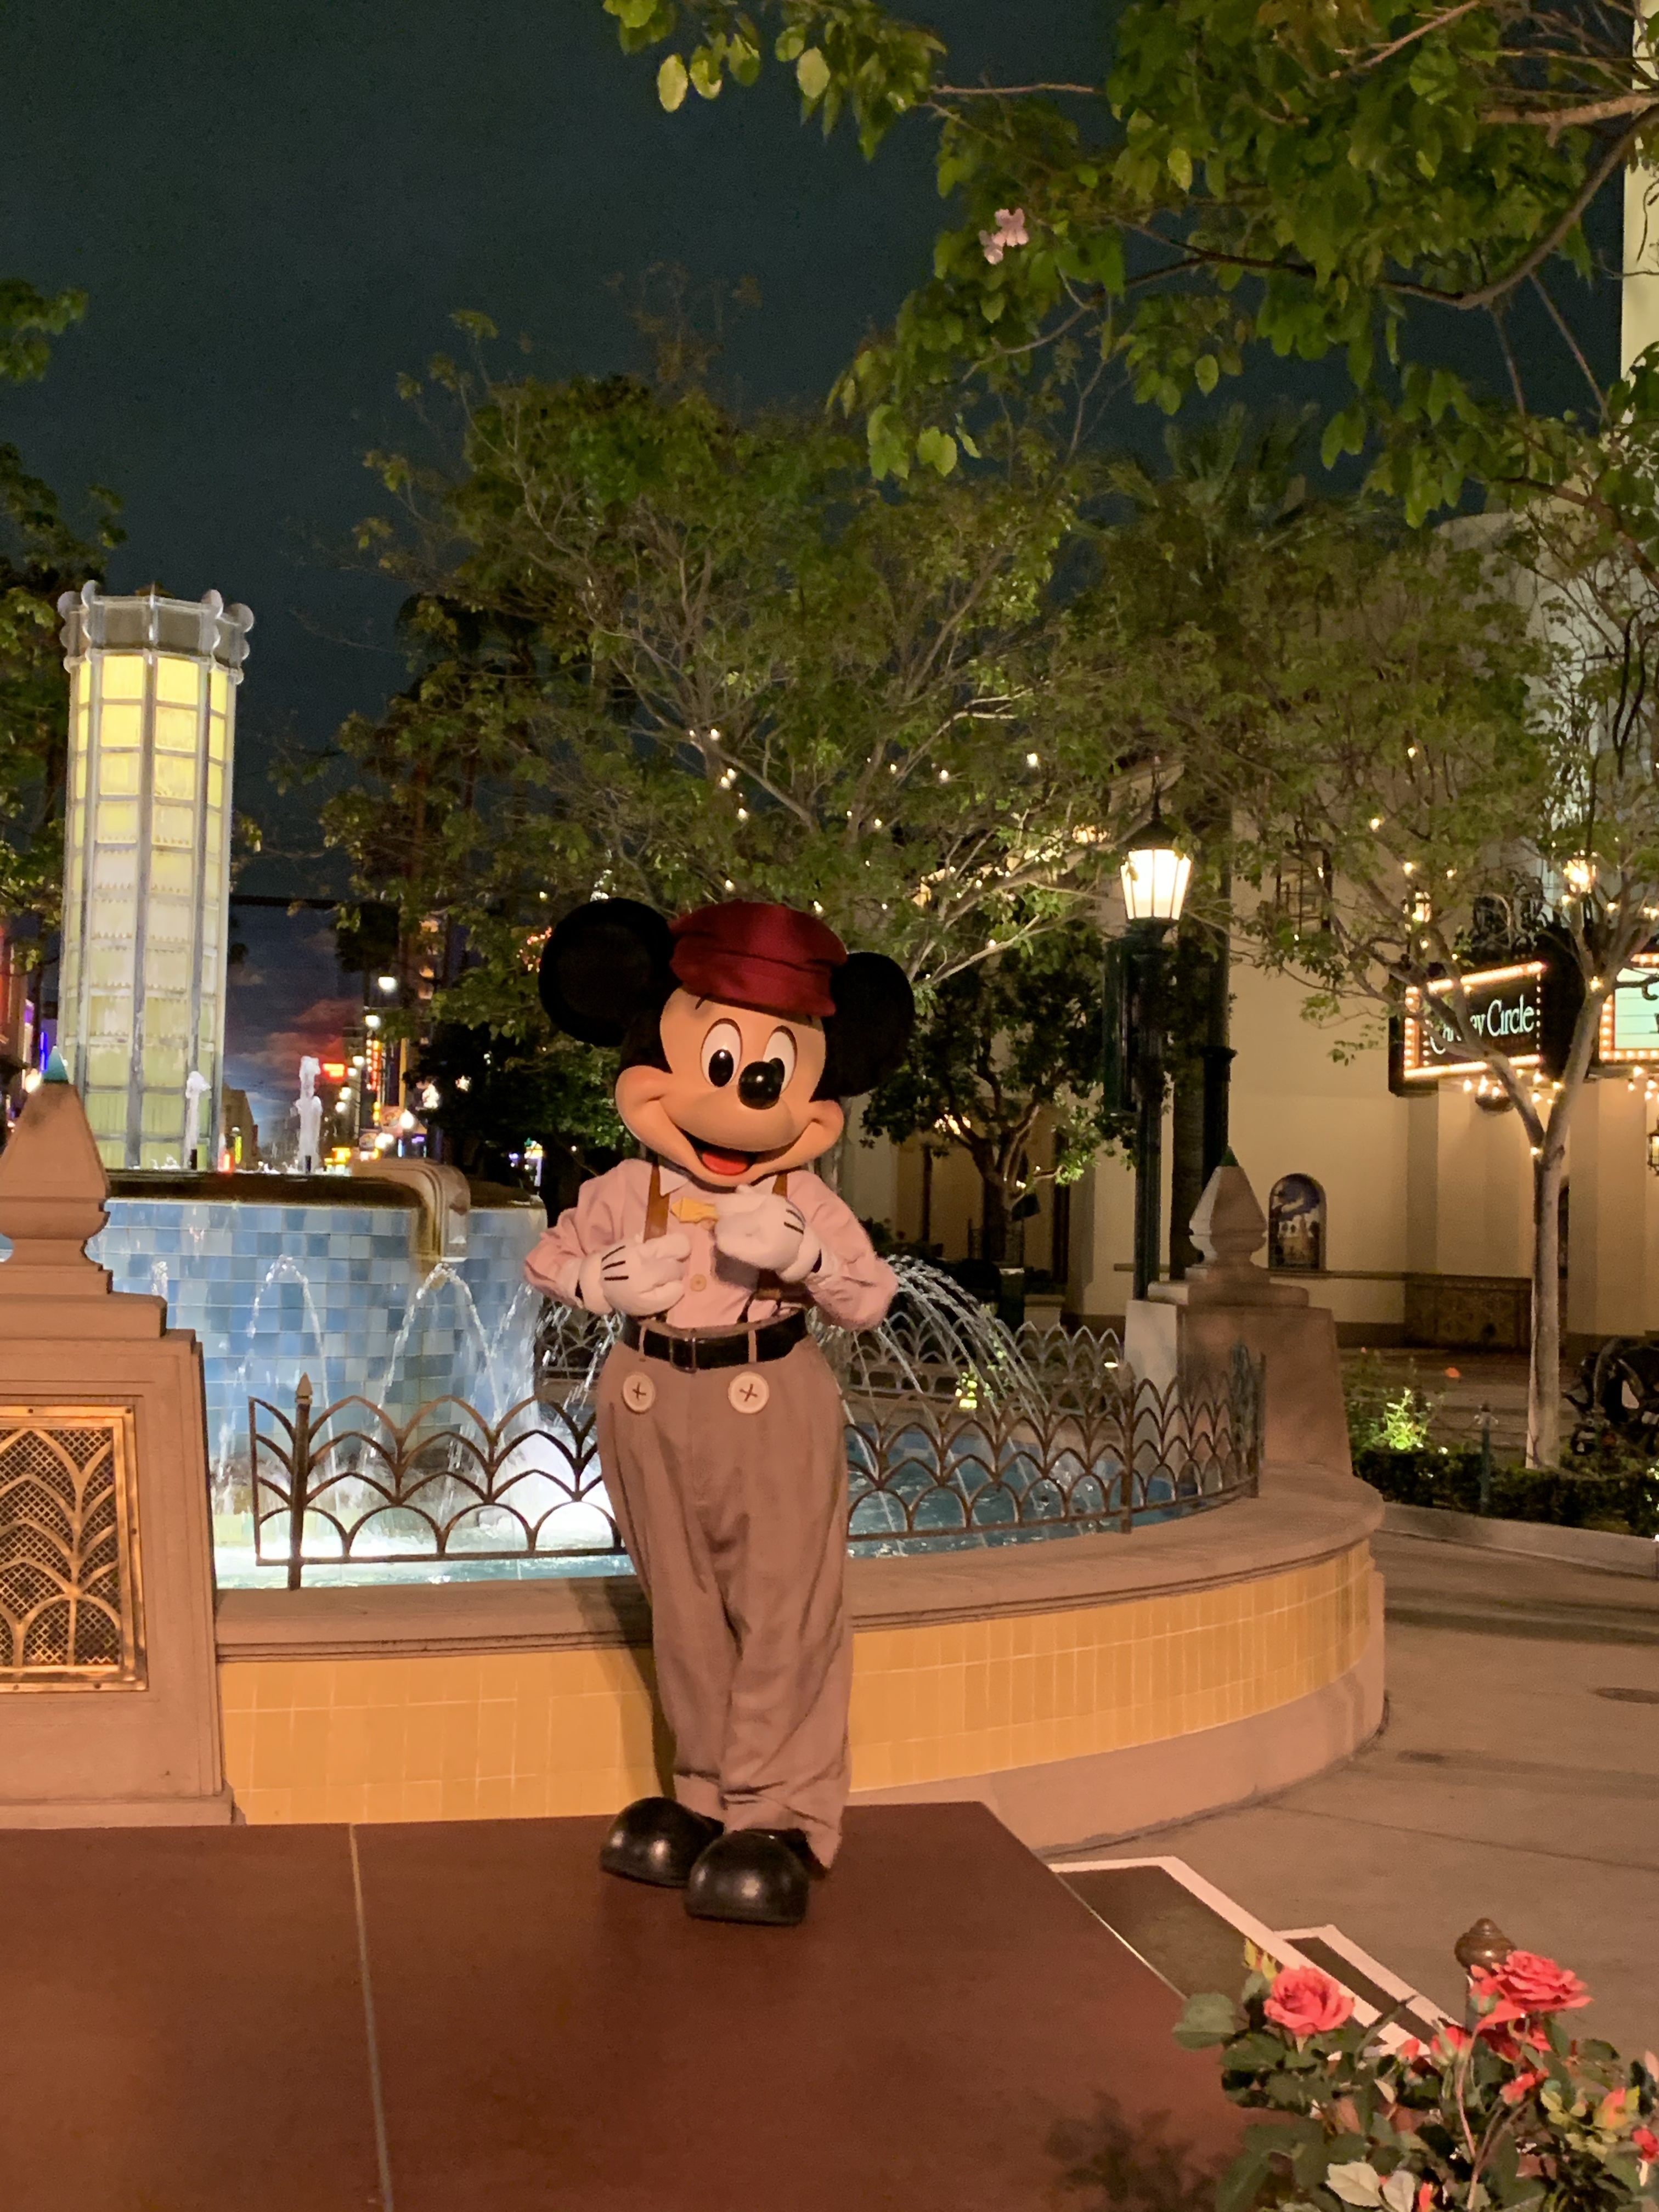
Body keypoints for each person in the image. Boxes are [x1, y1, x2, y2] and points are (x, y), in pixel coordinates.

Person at [528, 897, 913, 1926]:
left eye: (769, 1071)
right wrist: (598, 1281)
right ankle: (703, 1792)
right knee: (685, 1605)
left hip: (765, 1392)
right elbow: (549, 1258)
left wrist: (808, 1256)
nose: (740, 1096)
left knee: (783, 1608)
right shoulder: (625, 1186)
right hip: (646, 1393)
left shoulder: (805, 1197)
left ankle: (780, 1811)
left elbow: (869, 1298)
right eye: (720, 1059)